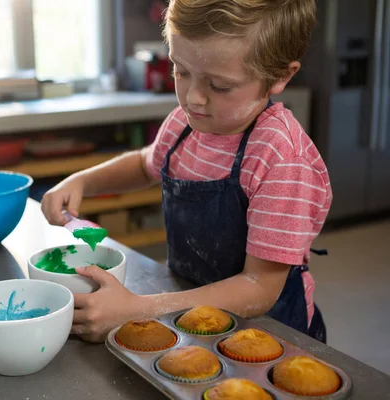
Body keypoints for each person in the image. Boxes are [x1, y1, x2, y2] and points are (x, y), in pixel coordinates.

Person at [41, 0, 331, 344]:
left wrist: (137, 308)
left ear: (280, 75)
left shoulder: (281, 159)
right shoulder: (185, 124)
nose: (193, 98)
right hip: (185, 309)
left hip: (266, 334)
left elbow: (260, 286)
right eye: (180, 71)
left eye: (219, 86)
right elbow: (143, 164)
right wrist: (83, 181)